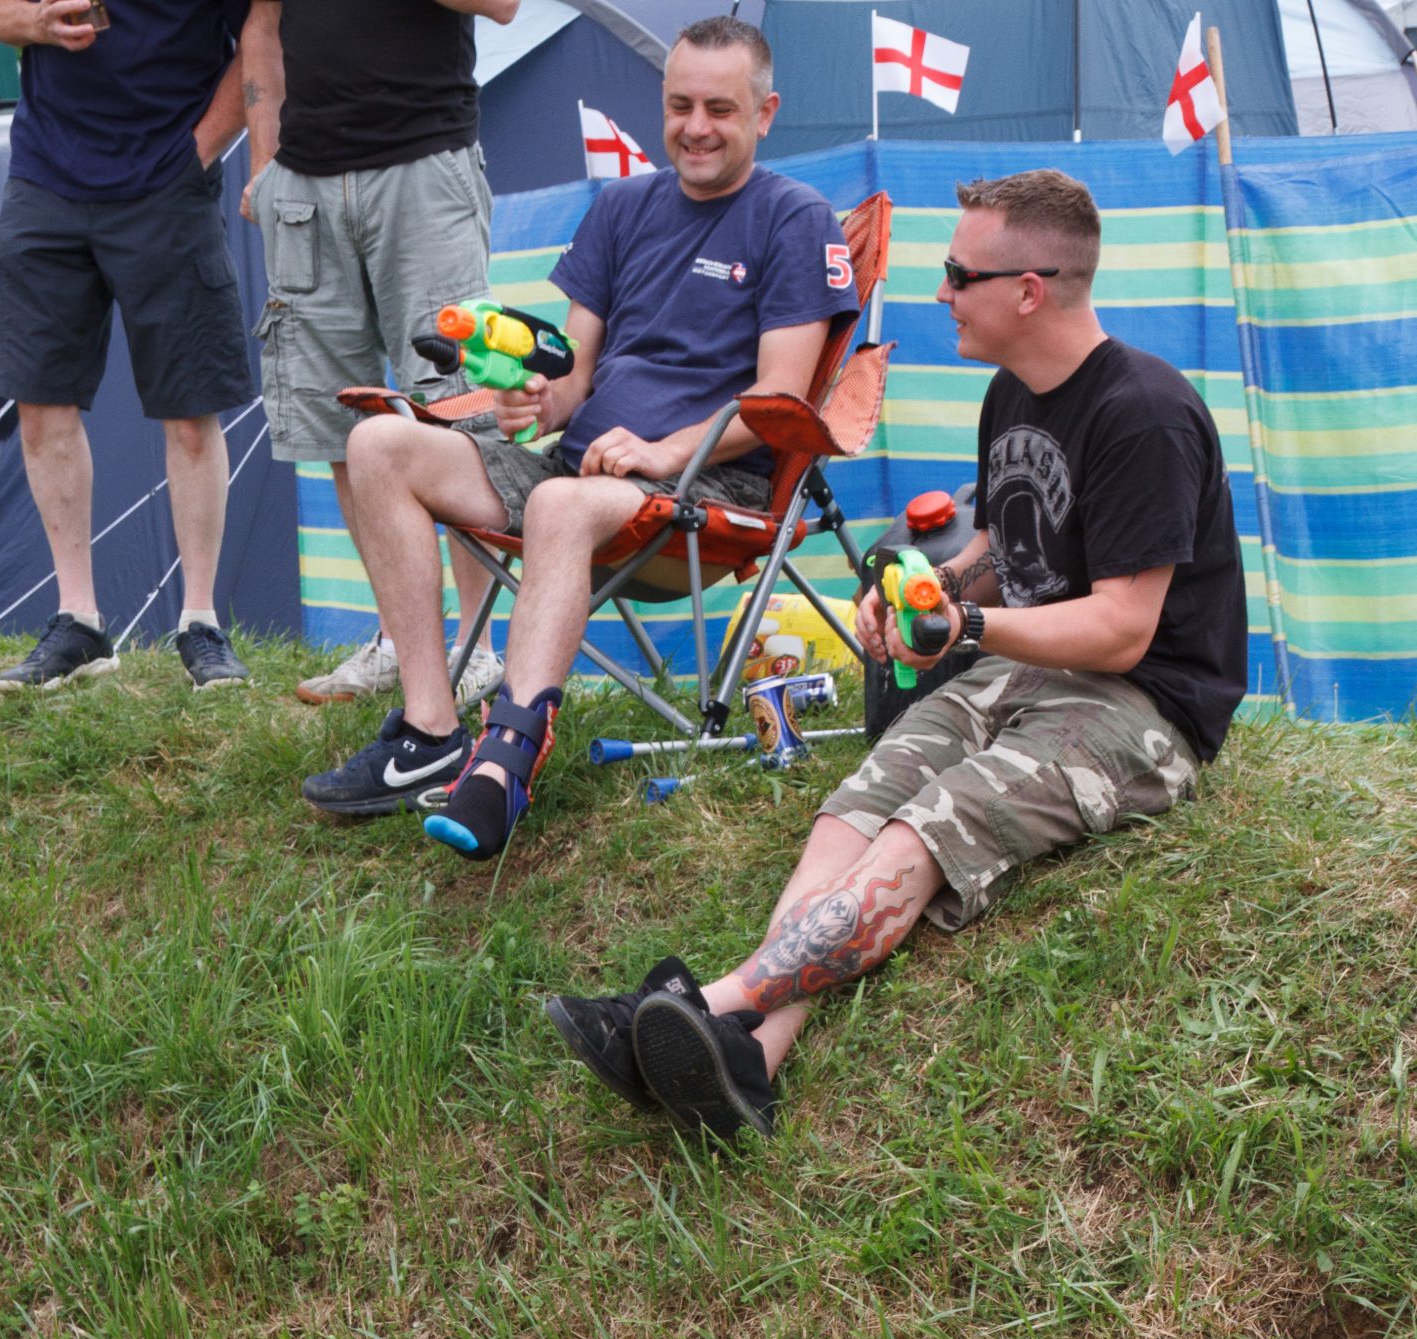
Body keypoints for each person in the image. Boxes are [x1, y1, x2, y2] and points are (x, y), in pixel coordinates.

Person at [544, 167, 1249, 1141]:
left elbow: (1125, 625)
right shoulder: (1014, 394)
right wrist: (942, 589)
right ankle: (754, 1056)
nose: (937, 293)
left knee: (928, 828)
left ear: (1029, 289)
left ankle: (707, 1002)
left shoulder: (1144, 412)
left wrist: (964, 632)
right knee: (856, 812)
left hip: (1141, 703)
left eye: (958, 273)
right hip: (1022, 669)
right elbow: (1016, 542)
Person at [299, 15, 858, 853]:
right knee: (379, 442)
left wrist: (665, 453)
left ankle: (504, 763)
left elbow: (777, 396)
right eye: (678, 105)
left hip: (706, 493)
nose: (695, 127)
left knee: (560, 501)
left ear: (764, 113)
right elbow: (572, 379)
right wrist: (536, 403)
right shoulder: (623, 205)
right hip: (579, 468)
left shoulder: (793, 218)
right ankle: (429, 730)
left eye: (720, 108)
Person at [0, 0, 259, 691]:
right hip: (46, 178)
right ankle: (79, 622)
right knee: (40, 403)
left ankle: (200, 622)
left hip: (167, 187)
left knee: (191, 412)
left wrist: (198, 151)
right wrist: (36, 22)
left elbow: (260, 43)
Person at [236, 0, 511, 712]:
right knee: (342, 423)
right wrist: (265, 165)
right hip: (303, 182)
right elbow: (262, 25)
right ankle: (398, 641)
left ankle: (477, 649)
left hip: (424, 170)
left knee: (455, 411)